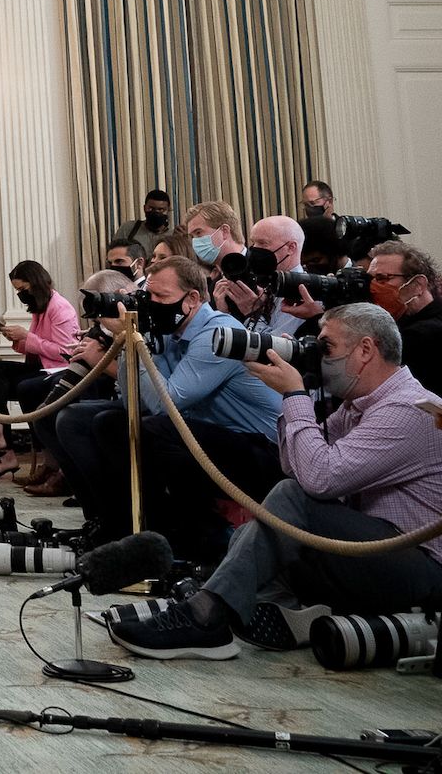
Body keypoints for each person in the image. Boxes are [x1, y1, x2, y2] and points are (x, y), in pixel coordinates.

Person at [107, 303, 442, 660]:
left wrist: (295, 395)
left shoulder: (408, 408)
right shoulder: (357, 405)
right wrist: (291, 396)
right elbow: (294, 465)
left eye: (326, 347)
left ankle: (208, 617)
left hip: (419, 571)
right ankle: (258, 607)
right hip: (368, 555)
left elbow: (318, 479)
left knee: (291, 499)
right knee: (261, 531)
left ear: (365, 350)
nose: (318, 356)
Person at [57, 256, 284, 559]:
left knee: (154, 430)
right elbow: (134, 401)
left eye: (160, 296)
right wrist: (129, 342)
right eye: (148, 295)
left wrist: (132, 338)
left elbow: (166, 405)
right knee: (97, 422)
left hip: (261, 449)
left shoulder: (217, 334)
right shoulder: (170, 329)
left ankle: (186, 535)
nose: (151, 303)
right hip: (209, 434)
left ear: (192, 299)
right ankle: (119, 526)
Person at [20, 271, 132, 497]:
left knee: (71, 417)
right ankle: (77, 485)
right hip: (115, 389)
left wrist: (96, 358)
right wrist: (48, 405)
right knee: (44, 415)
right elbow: (80, 365)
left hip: (133, 397)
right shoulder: (104, 325)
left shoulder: (133, 321)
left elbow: (143, 379)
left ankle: (96, 495)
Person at [0, 260, 79, 476]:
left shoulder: (60, 307)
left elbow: (65, 352)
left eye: (23, 289)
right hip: (41, 366)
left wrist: (27, 336)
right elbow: (38, 346)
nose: (21, 294)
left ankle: (5, 446)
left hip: (57, 371)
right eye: (17, 291)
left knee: (20, 387)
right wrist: (18, 339)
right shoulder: (40, 308)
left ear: (35, 283)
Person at [368, 240, 441, 394]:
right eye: (370, 279)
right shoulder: (402, 321)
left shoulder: (422, 334)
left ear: (417, 285)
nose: (373, 287)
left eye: (382, 278)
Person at [183, 200, 245, 282]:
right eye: (192, 237)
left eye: (198, 233)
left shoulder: (258, 268)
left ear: (224, 231)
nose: (195, 241)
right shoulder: (212, 282)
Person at [110, 190, 173, 255]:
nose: (156, 213)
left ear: (168, 210)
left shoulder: (173, 236)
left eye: (161, 209)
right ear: (144, 208)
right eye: (151, 208)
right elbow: (113, 253)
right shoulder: (129, 229)